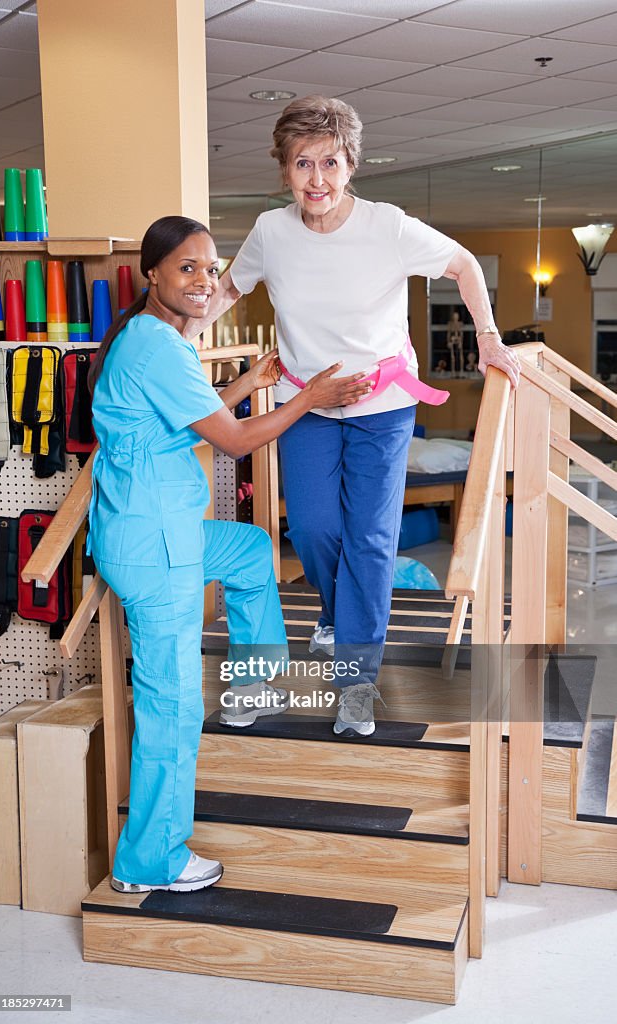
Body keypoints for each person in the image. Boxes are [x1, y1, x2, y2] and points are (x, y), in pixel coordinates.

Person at [195, 95, 521, 740]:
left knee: (371, 540)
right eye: (303, 163)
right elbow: (230, 287)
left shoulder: (387, 226)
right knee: (314, 530)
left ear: (351, 166)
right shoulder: (270, 231)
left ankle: (356, 681)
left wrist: (487, 338)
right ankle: (333, 611)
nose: (317, 178)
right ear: (285, 170)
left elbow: (460, 265)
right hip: (309, 403)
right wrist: (178, 337)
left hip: (384, 405)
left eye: (331, 163)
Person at [87, 215, 369, 895]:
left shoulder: (151, 339)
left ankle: (252, 683)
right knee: (173, 703)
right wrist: (309, 399)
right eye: (187, 267)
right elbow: (236, 444)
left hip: (148, 531)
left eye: (211, 269)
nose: (203, 280)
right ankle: (148, 862)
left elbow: (193, 417)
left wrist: (247, 382)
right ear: (152, 274)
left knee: (249, 551)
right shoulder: (158, 347)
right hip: (157, 551)